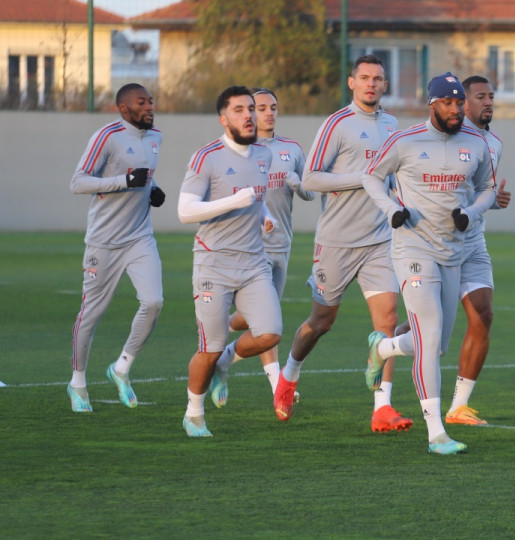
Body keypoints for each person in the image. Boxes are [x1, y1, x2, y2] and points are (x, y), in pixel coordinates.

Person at [269, 55, 412, 432]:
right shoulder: (337, 124)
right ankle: (289, 374)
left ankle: (383, 407)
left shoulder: (392, 125)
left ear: (385, 85)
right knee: (321, 322)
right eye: (364, 77)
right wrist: (362, 178)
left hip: (379, 239)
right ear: (352, 82)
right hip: (336, 242)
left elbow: (392, 177)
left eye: (377, 78)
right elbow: (310, 179)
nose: (371, 84)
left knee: (388, 319)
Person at [362, 72, 496, 455]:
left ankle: (383, 349)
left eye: (460, 103)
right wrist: (391, 209)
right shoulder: (404, 141)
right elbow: (371, 177)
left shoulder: (476, 143)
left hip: (453, 253)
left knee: (434, 346)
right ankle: (436, 433)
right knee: (430, 335)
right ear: (432, 104)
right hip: (412, 250)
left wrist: (471, 213)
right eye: (448, 103)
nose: (456, 109)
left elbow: (488, 188)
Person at [177, 85, 283, 437]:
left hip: (253, 263)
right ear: (223, 119)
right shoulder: (206, 157)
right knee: (209, 348)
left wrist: (265, 215)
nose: (249, 115)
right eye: (239, 110)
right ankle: (194, 414)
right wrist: (234, 201)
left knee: (269, 334)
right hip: (214, 264)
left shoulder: (264, 155)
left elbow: (256, 199)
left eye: (251, 108)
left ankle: (226, 361)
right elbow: (185, 211)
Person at [207, 87, 314, 405]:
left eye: (273, 107)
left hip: (282, 245)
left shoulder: (291, 149)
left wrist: (298, 184)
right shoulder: (239, 151)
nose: (268, 113)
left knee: (254, 319)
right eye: (260, 108)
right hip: (249, 247)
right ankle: (277, 388)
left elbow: (310, 192)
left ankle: (221, 356)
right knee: (269, 320)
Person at [67, 83, 165, 413]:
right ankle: (77, 383)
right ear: (123, 109)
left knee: (153, 302)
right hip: (103, 243)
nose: (149, 107)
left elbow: (143, 175)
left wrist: (153, 188)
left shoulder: (156, 137)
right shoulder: (106, 136)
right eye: (142, 102)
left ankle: (121, 368)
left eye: (150, 101)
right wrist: (125, 182)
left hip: (140, 237)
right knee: (91, 314)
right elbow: (78, 182)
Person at [442, 75, 511, 425]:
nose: (489, 102)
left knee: (483, 315)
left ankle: (458, 407)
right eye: (481, 96)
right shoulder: (446, 136)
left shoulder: (494, 143)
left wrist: (495, 201)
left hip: (473, 243)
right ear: (463, 102)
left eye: (491, 96)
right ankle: (385, 346)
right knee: (429, 327)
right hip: (438, 243)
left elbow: (480, 191)